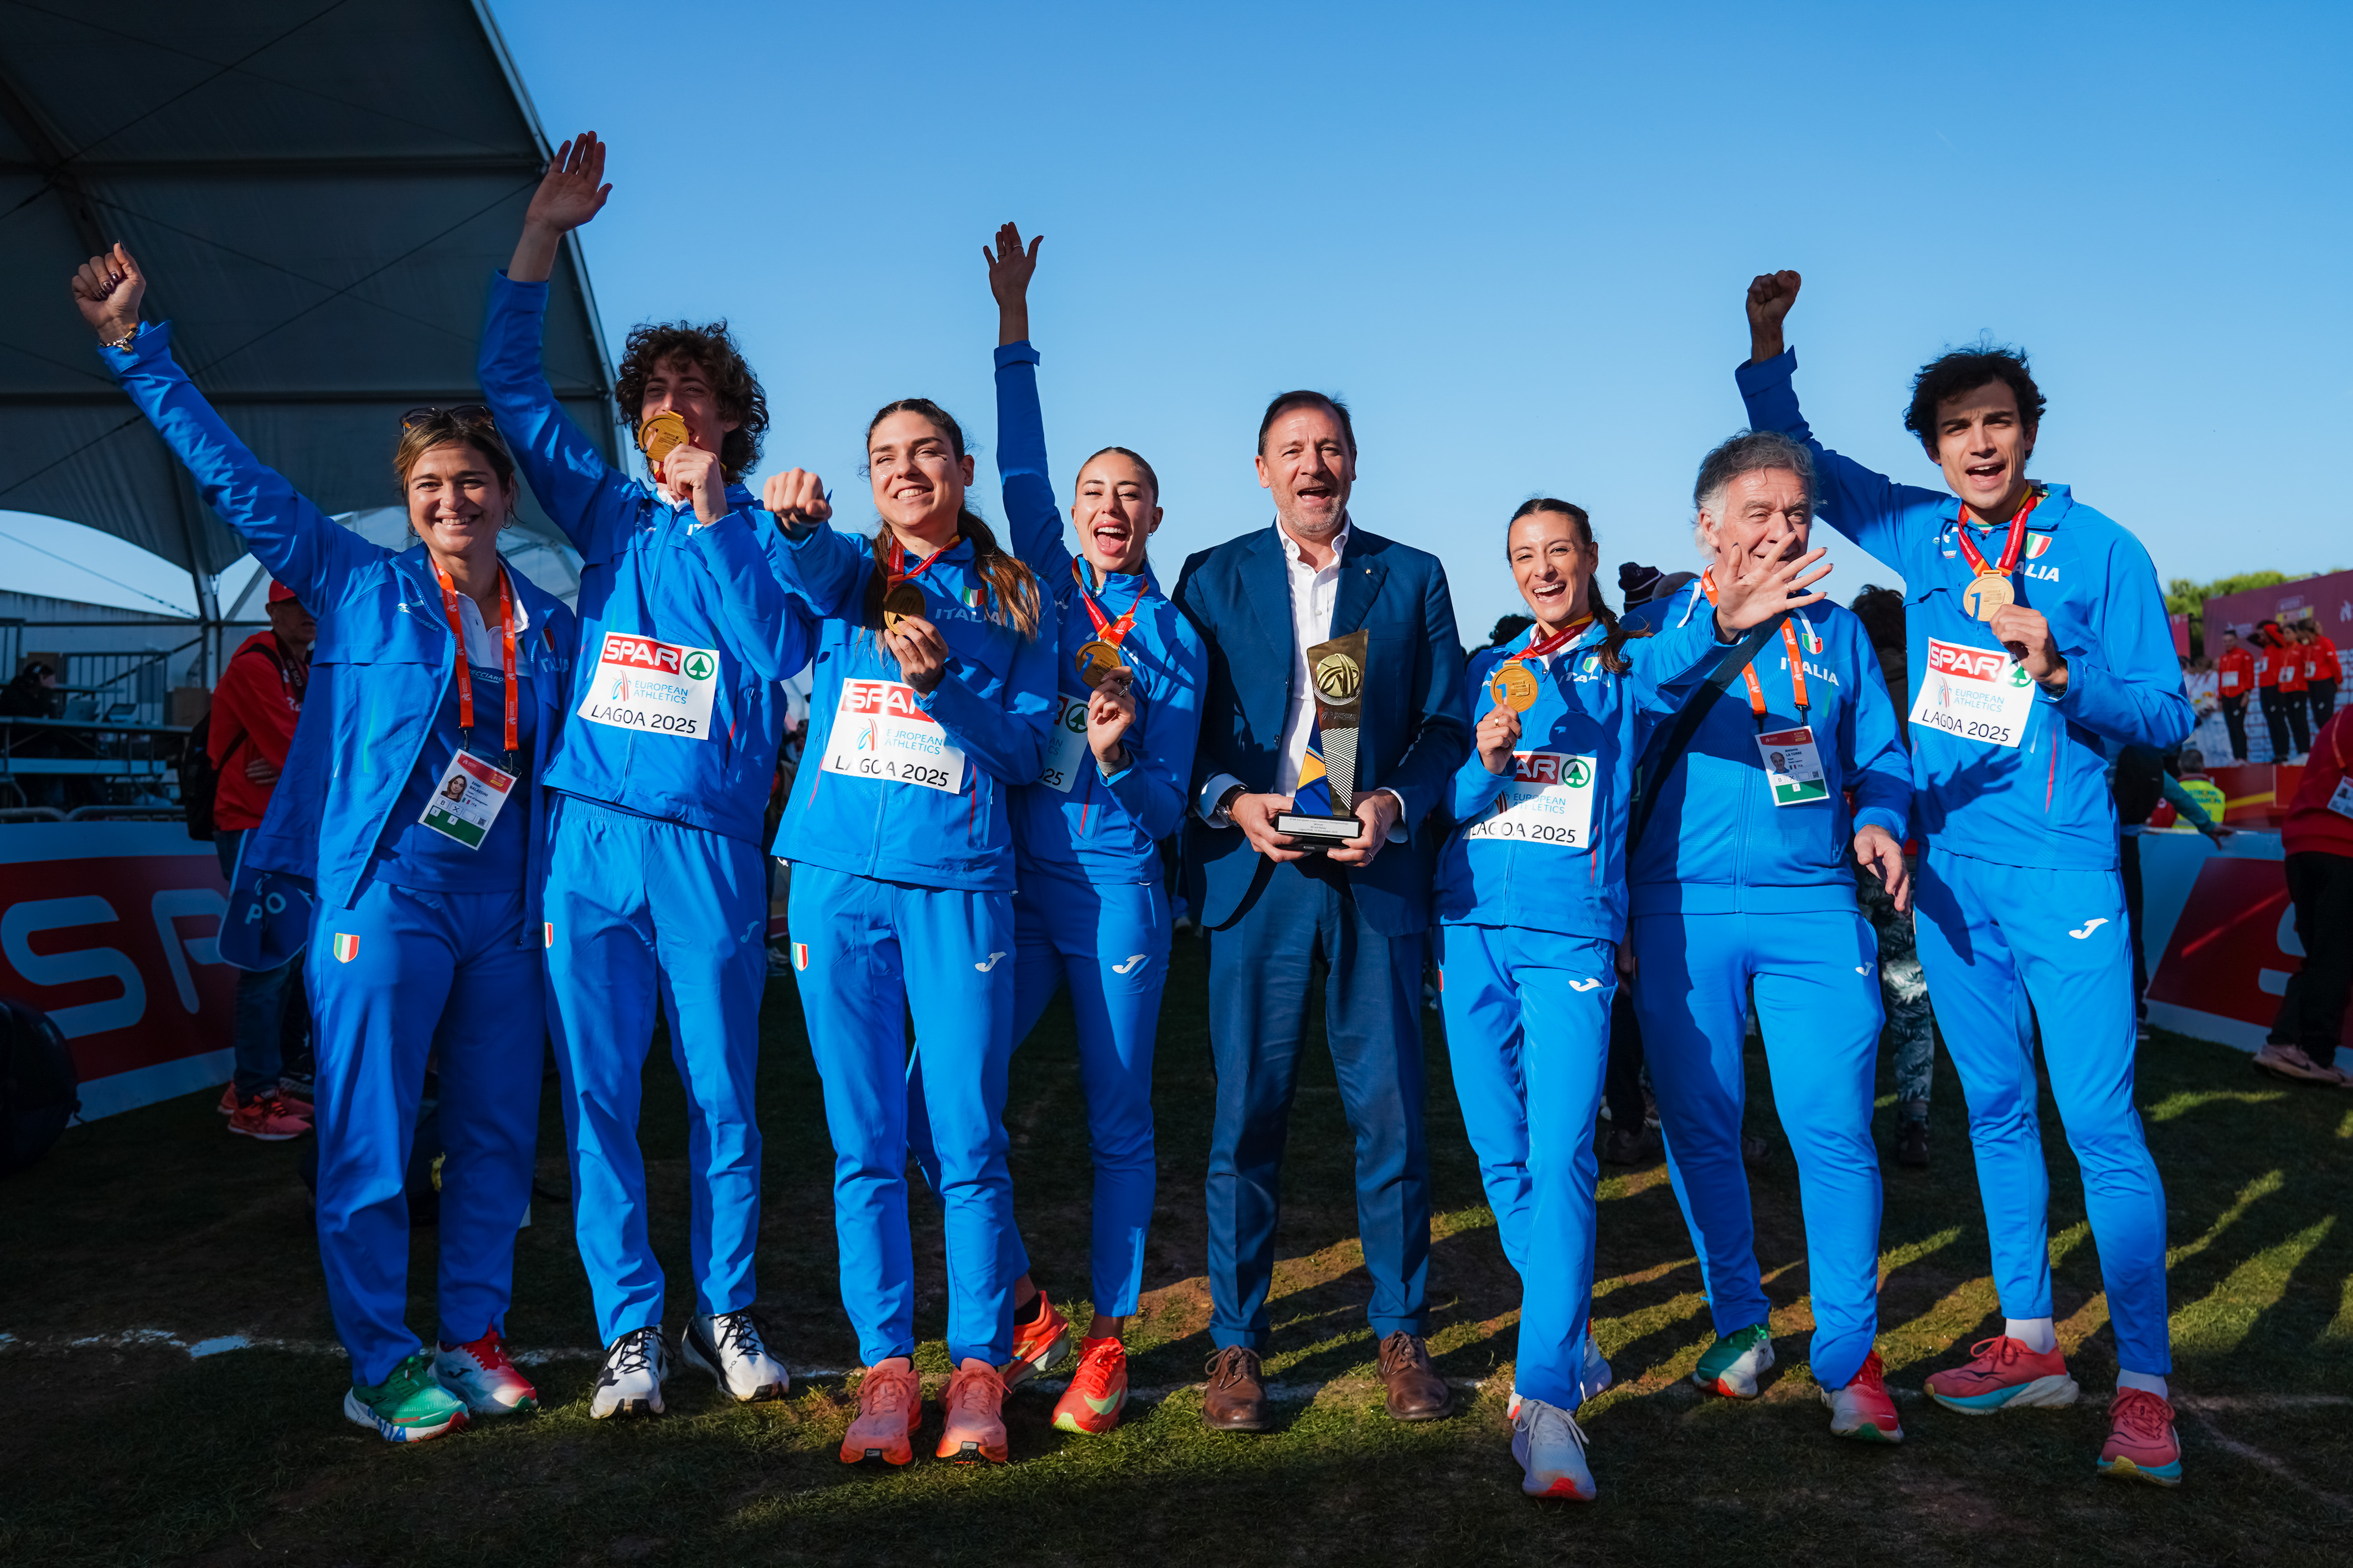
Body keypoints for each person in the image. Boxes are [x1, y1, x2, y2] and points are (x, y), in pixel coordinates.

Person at [76, 243, 570, 1442]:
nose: (451, 501)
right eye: (430, 486)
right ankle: (380, 1362)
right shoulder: (357, 584)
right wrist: (139, 351)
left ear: (507, 496)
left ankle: (472, 1333)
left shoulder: (554, 624)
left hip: (507, 903)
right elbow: (235, 481)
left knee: (496, 1131)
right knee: (371, 1132)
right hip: (386, 894)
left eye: (471, 481)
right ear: (408, 503)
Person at [1742, 270, 2194, 1484]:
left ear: (2029, 431)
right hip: (1948, 880)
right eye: (1956, 428)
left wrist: (2061, 670)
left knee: (2099, 1122)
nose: (1979, 442)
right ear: (1935, 448)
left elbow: (2165, 711)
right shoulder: (1919, 534)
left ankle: (2145, 1387)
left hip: (2062, 874)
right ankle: (2032, 1342)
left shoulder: (2102, 549)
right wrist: (1768, 346)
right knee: (1993, 1109)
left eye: (1997, 421)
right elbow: (1807, 465)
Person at [482, 133, 814, 1417]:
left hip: (707, 849)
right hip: (591, 842)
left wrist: (717, 509)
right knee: (600, 1095)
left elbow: (779, 649)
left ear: (730, 419)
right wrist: (540, 237)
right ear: (637, 419)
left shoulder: (769, 533)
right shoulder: (607, 512)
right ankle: (630, 1326)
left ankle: (725, 1310)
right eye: (656, 390)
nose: (673, 401)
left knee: (723, 1093)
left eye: (696, 388)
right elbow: (511, 388)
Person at [1438, 494, 1825, 1498]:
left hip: (1569, 939)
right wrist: (1483, 765)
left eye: (1559, 550)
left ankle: (1546, 1401)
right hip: (1470, 930)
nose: (1543, 569)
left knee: (1562, 1152)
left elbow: (1683, 655)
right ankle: (1568, 1333)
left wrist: (1727, 610)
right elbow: (1455, 802)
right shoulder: (1487, 668)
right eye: (1524, 554)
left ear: (1590, 556)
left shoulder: (1624, 662)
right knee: (1500, 1156)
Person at [899, 225, 1205, 1436]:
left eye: (1131, 492)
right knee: (934, 1110)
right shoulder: (1043, 584)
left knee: (1117, 1120)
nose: (1110, 506)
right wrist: (1013, 322)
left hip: (1118, 892)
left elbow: (1171, 809)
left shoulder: (1173, 639)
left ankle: (1110, 1338)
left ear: (1157, 512)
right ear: (1071, 514)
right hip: (1013, 888)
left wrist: (1121, 760)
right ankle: (1027, 1305)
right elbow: (1018, 458)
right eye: (1094, 492)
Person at [762, 399, 1056, 1468]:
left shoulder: (1016, 595)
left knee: (968, 1138)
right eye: (884, 455)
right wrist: (795, 524)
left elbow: (1028, 753)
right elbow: (806, 573)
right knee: (865, 1142)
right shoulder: (855, 572)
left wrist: (943, 692)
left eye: (926, 451)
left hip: (960, 886)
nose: (905, 469)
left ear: (964, 467)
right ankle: (885, 1369)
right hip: (837, 886)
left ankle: (979, 1369)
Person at [1175, 390, 1469, 1437]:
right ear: (1262, 469)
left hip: (1371, 873)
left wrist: (1391, 801)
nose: (1313, 466)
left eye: (1330, 448)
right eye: (1293, 450)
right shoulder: (1210, 576)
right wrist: (1228, 800)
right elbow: (1180, 726)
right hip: (1257, 877)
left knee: (1390, 1117)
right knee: (1245, 1119)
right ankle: (1236, 1342)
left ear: (1354, 463)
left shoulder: (1414, 575)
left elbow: (1447, 724)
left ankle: (1401, 1331)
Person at [1621, 434, 1910, 1448]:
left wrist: (1882, 817)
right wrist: (1718, 624)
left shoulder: (1837, 632)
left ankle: (1851, 1357)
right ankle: (1741, 1322)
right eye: (1759, 512)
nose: (1784, 529)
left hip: (1813, 909)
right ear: (1708, 525)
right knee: (1702, 1126)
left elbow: (1880, 756)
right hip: (1679, 909)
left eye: (1797, 512)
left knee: (1833, 1129)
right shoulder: (1656, 624)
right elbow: (1632, 698)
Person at [209, 580, 316, 1140]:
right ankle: (252, 1098)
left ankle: (260, 1084)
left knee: (289, 958)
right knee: (268, 964)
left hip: (285, 826)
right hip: (253, 827)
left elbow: (319, 742)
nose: (307, 612)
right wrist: (298, 759)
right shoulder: (257, 663)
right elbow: (295, 746)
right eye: (294, 604)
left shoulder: (304, 665)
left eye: (312, 601)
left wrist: (299, 761)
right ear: (272, 611)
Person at [1849, 583, 1936, 1165]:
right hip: (1912, 858)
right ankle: (1915, 1118)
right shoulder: (1932, 689)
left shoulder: (1848, 685)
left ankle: (1847, 1118)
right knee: (1909, 993)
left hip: (1851, 860)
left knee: (1845, 992)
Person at [2254, 702, 2352, 1084]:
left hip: (2305, 844)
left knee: (2323, 956)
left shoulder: (2341, 717)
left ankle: (2288, 1044)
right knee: (2334, 957)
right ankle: (2311, 1051)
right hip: (2339, 849)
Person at [2213, 628, 2254, 763]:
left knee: (2238, 726)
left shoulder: (2244, 655)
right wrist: (2220, 699)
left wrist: (2247, 694)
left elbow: (2249, 675)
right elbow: (2221, 679)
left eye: (2230, 641)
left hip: (2239, 695)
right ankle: (2236, 757)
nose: (2228, 644)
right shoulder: (2223, 658)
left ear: (2236, 640)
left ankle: (2243, 757)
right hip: (2226, 696)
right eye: (2225, 642)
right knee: (2230, 727)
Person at [2274, 623, 2312, 761]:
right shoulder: (2283, 650)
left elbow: (2308, 669)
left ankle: (2306, 752)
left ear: (2296, 634)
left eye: (2288, 633)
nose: (2285, 636)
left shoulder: (2302, 649)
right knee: (2292, 722)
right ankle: (2300, 752)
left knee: (2300, 720)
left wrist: (2308, 686)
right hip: (2286, 691)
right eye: (2284, 633)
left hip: (2299, 690)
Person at [2302, 624, 2340, 737]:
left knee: (2326, 717)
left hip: (2325, 683)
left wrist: (2338, 681)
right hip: (2312, 684)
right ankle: (2325, 741)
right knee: (2318, 718)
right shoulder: (2307, 647)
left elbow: (2334, 663)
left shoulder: (2325, 642)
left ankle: (2331, 741)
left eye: (2319, 626)